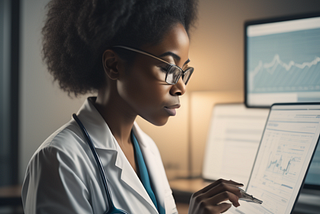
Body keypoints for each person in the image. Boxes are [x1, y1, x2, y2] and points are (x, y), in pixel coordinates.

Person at [21, 0, 243, 213]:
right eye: (168, 69)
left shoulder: (149, 149)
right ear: (114, 65)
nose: (181, 87)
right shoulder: (59, 160)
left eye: (184, 71)